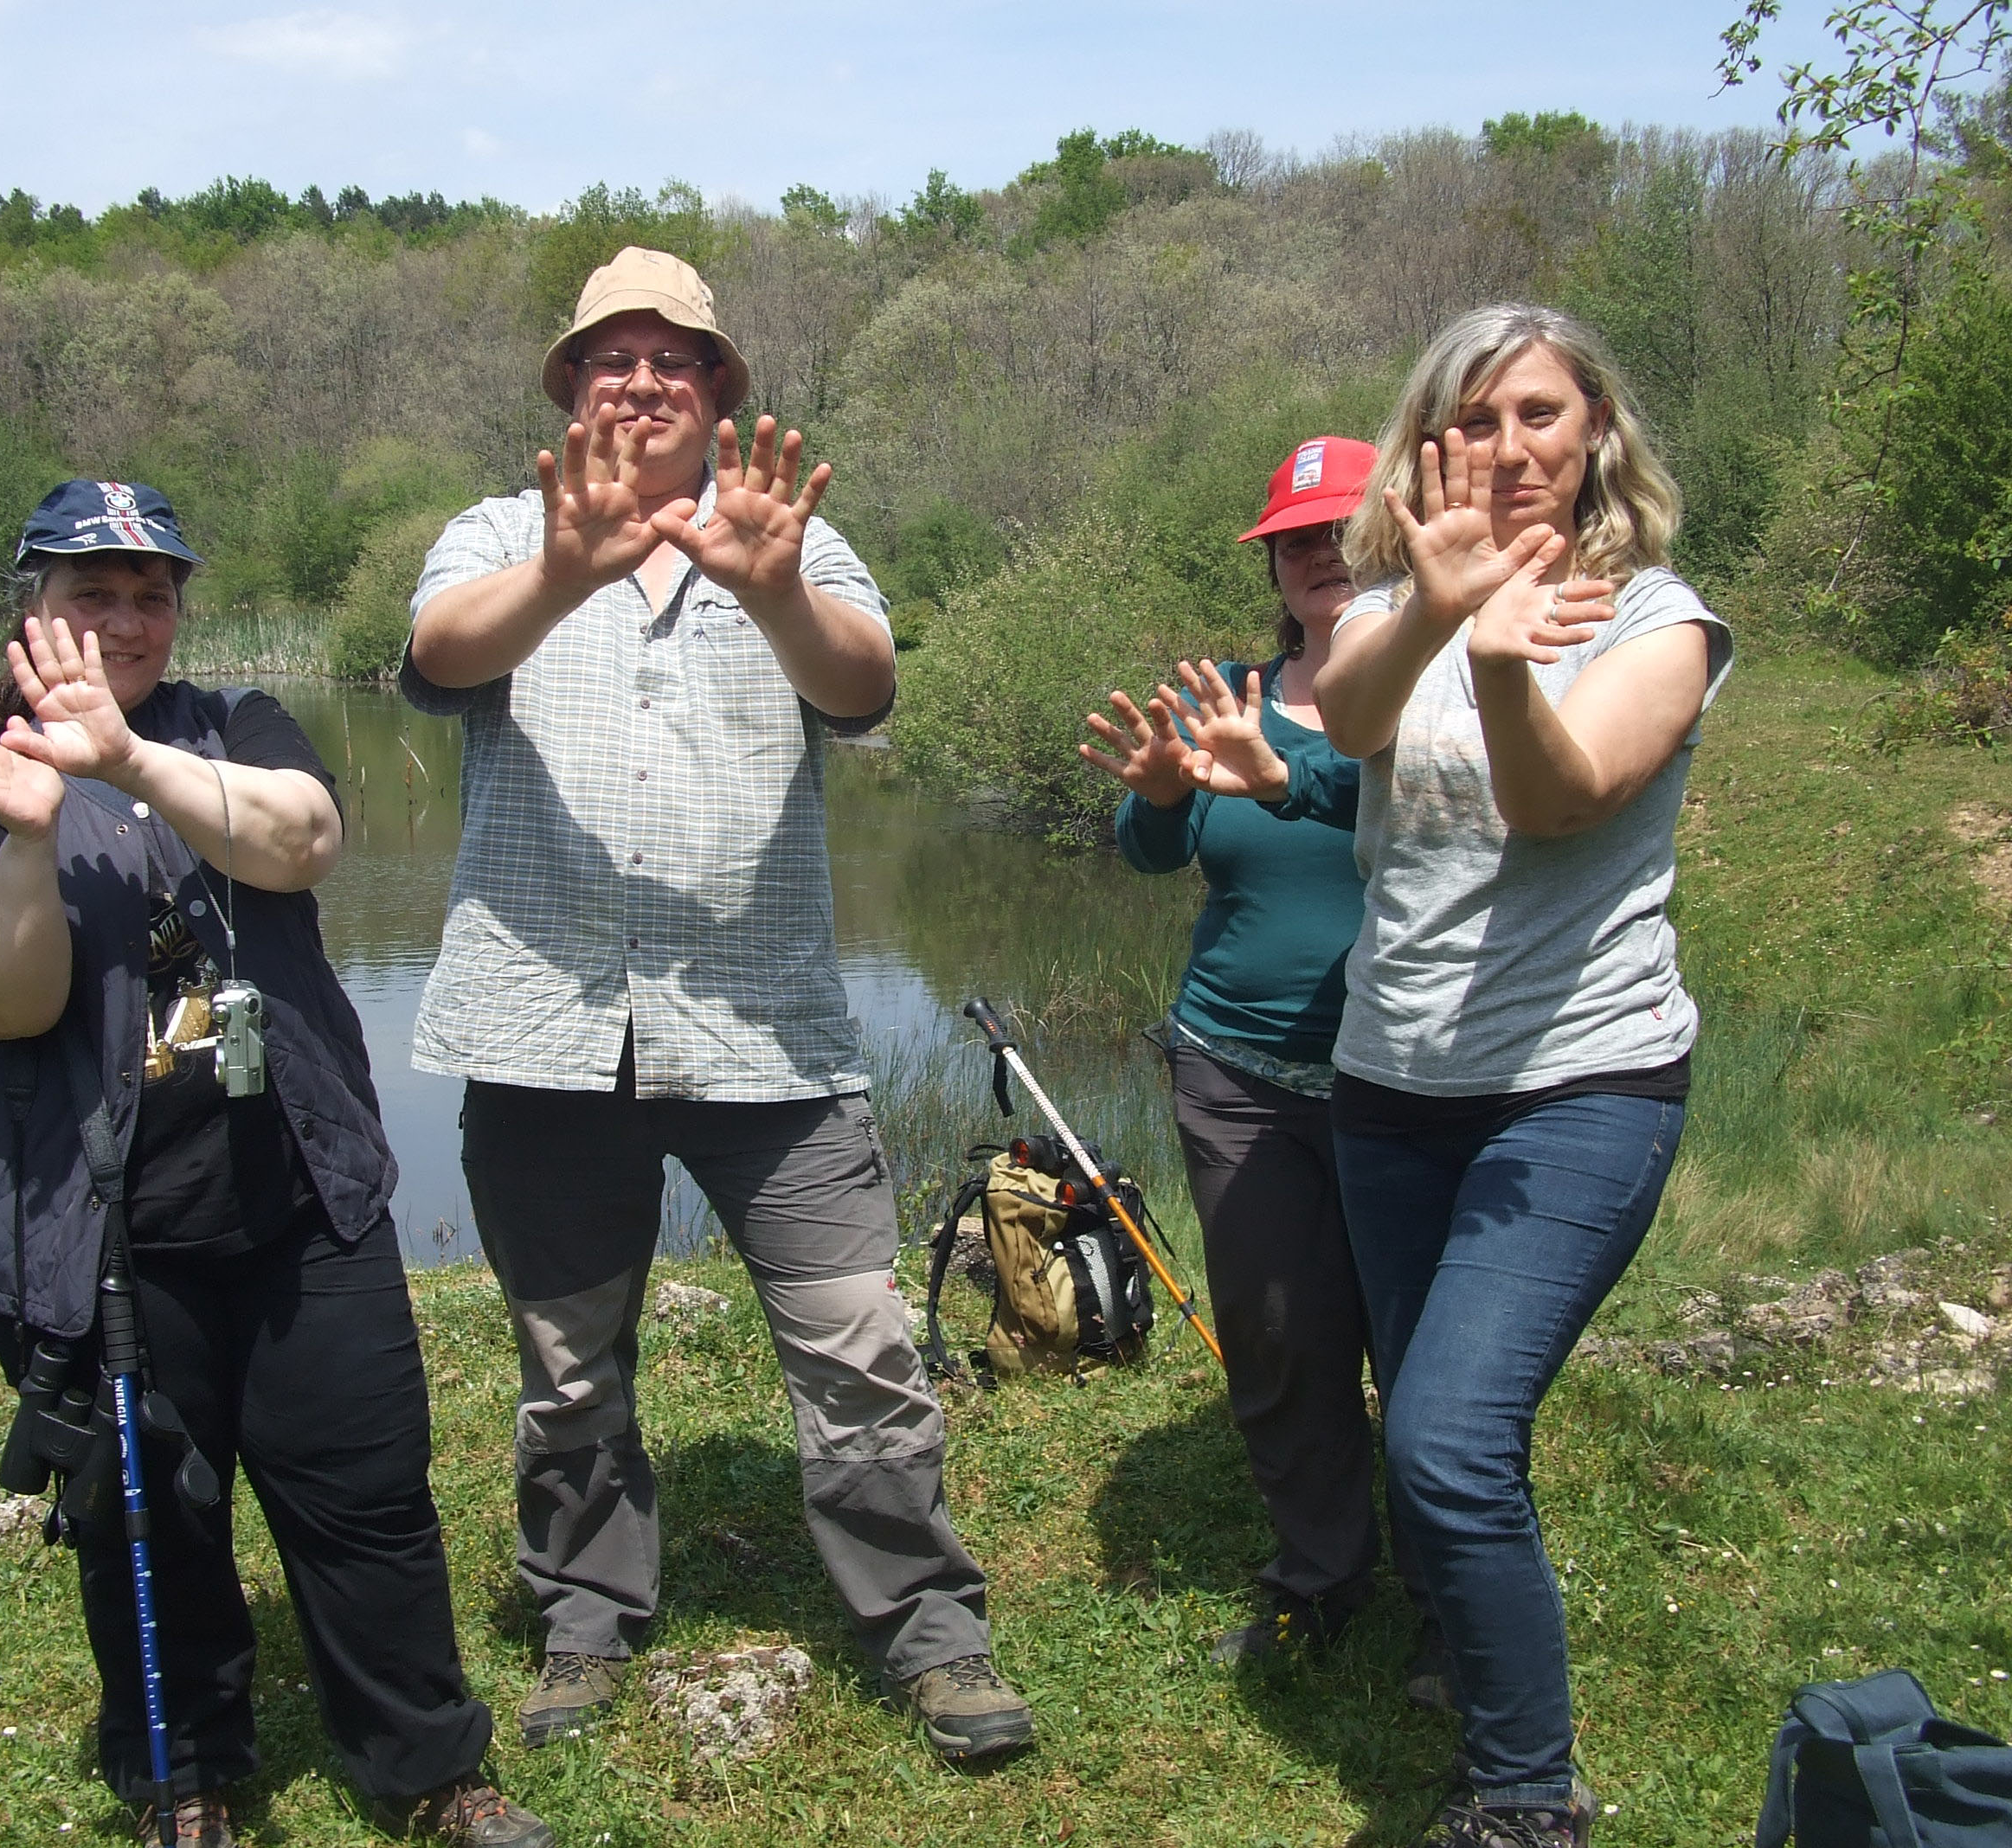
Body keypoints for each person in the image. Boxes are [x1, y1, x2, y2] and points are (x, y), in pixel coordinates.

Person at [401, 247, 1033, 1764]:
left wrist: (771, 588)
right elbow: (438, 653)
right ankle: (584, 1616)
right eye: (610, 358)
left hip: (772, 1036)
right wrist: (570, 568)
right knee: (567, 1365)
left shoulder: (796, 534)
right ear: (570, 388)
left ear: (718, 388)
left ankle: (931, 1634)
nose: (641, 380)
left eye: (673, 357)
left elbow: (866, 687)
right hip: (540, 1029)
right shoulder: (500, 531)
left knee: (861, 1350)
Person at [0, 480, 550, 1848]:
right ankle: (184, 1778)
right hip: (99, 1241)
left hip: (301, 1204)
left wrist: (129, 764)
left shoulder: (231, 729)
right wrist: (33, 827)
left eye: (152, 595)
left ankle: (427, 1769)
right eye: (93, 594)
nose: (127, 620)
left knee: (371, 1504)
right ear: (34, 609)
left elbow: (304, 840)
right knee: (149, 1527)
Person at [1310, 305, 1732, 1848]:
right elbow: (1346, 718)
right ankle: (1465, 1647)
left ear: (1599, 432)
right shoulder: (1380, 605)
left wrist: (1499, 664)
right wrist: (1436, 615)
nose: (1510, 448)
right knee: (1439, 1420)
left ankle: (1525, 1802)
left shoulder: (1659, 619)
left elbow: (1563, 801)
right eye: (1474, 420)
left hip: (1583, 1085)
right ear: (1429, 444)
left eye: (1542, 415)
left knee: (1445, 1439)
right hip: (1390, 1084)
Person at [1079, 435, 1441, 1687]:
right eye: (1295, 540)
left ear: (1392, 536)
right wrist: (1169, 789)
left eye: (1341, 530)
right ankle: (1321, 1579)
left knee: (1427, 1351)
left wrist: (1286, 776)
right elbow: (1148, 853)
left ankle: (1453, 1606)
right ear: (1274, 568)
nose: (1319, 555)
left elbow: (1394, 801)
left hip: (1414, 1078)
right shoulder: (1222, 691)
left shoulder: (1445, 687)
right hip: (1236, 1069)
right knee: (1283, 1340)